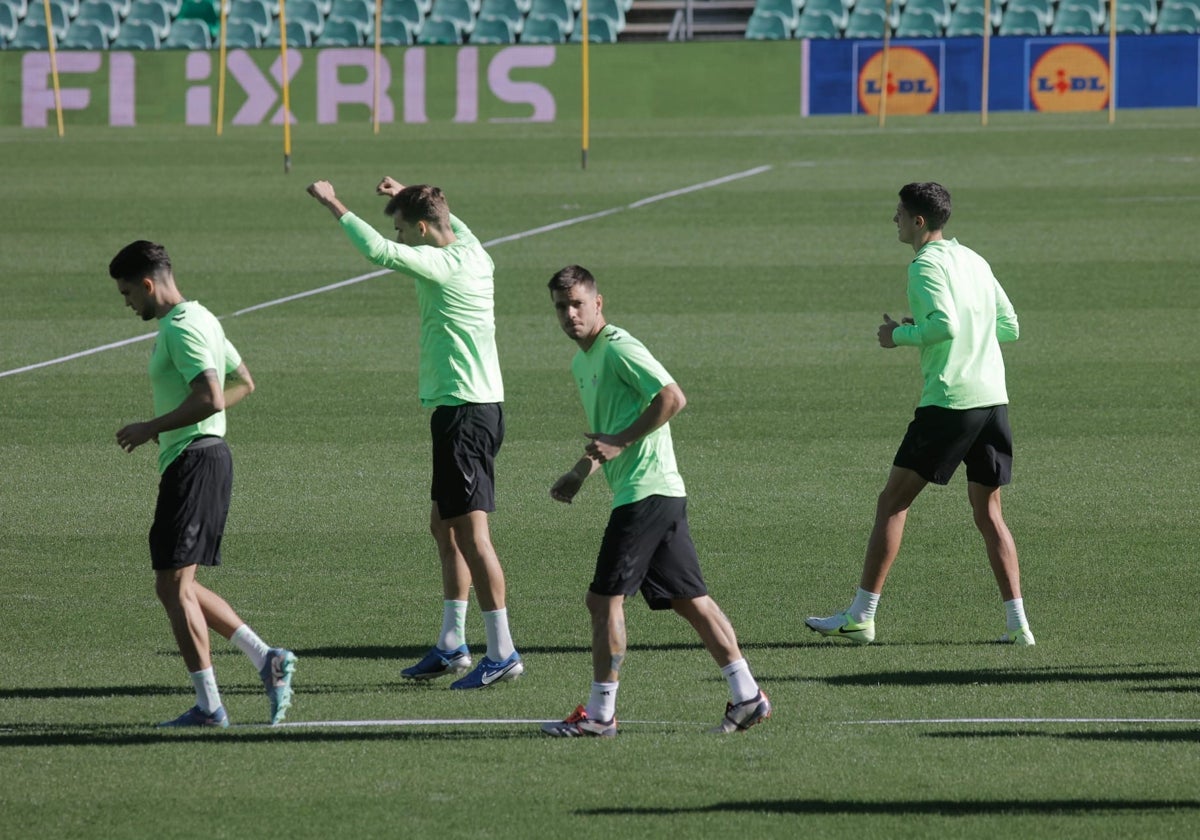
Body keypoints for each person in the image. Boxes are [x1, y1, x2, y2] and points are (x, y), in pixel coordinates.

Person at [306, 177, 522, 690]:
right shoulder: (472, 249)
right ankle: (452, 644)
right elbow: (452, 220)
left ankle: (504, 652)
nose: (402, 239)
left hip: (466, 413)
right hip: (462, 411)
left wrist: (332, 202)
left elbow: (380, 251)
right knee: (444, 528)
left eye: (407, 229)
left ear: (423, 230)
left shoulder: (444, 266)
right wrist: (404, 193)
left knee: (473, 536)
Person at [542, 265, 771, 737]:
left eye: (577, 304)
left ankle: (601, 715)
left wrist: (621, 443)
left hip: (645, 493)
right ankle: (747, 695)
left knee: (603, 601)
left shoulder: (618, 347)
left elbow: (672, 397)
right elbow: (609, 432)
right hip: (655, 491)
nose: (570, 314)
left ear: (598, 303)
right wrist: (581, 472)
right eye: (561, 307)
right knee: (691, 600)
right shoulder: (582, 362)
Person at [805, 182, 1034, 646]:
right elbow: (1008, 326)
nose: (894, 220)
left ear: (919, 222)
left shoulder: (924, 266)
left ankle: (861, 617)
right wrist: (940, 330)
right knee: (990, 514)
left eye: (899, 213)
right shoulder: (973, 259)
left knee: (892, 502)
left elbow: (945, 326)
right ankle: (1019, 627)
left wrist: (899, 336)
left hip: (951, 403)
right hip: (993, 400)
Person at [109, 240, 297, 728]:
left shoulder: (183, 327)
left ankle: (211, 705)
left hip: (195, 463)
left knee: (172, 586)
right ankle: (265, 660)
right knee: (178, 584)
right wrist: (184, 429)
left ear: (148, 284)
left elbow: (213, 395)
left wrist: (155, 427)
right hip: (199, 458)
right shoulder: (203, 318)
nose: (128, 303)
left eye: (129, 293)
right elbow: (245, 383)